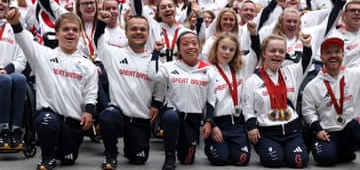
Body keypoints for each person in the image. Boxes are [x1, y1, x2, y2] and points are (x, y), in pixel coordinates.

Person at [6, 10, 98, 170]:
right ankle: (47, 158)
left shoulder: (88, 66)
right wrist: (15, 24)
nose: (70, 33)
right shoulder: (43, 55)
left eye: (75, 30)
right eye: (66, 29)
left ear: (80, 35)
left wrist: (89, 111)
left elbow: (91, 92)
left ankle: (61, 150)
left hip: (73, 124)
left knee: (68, 159)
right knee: (46, 120)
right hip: (49, 115)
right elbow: (25, 41)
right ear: (57, 34)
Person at [94, 14, 165, 170]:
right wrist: (101, 23)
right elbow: (98, 42)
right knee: (107, 115)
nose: (138, 32)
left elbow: (160, 85)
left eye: (142, 29)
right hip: (118, 114)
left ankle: (131, 146)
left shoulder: (155, 59)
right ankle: (110, 154)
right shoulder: (114, 54)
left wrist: (156, 104)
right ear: (125, 33)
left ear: (148, 33)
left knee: (138, 159)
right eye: (133, 29)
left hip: (140, 117)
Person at [242, 34, 312, 168]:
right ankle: (276, 151)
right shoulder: (252, 80)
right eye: (272, 51)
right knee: (274, 162)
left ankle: (288, 150)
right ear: (264, 53)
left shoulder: (291, 72)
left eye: (281, 51)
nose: (277, 54)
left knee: (299, 162)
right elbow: (248, 107)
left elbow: (306, 61)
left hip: (292, 132)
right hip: (268, 133)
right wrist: (251, 127)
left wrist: (307, 45)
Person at [149, 31, 216, 170]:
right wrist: (155, 52)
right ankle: (169, 155)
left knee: (187, 160)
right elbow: (153, 74)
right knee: (171, 117)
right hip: (173, 113)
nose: (190, 47)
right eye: (185, 44)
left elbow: (211, 99)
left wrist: (209, 121)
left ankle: (181, 145)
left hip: (193, 118)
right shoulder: (170, 66)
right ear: (179, 50)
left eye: (194, 43)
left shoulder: (209, 70)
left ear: (199, 46)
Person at [302, 37, 360, 166]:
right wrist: (318, 130)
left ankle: (341, 151)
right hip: (326, 132)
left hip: (348, 128)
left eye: (337, 52)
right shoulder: (312, 86)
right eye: (328, 52)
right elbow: (308, 111)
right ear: (321, 57)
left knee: (355, 127)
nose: (333, 56)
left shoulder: (354, 74)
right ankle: (339, 152)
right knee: (325, 158)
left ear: (343, 54)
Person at [204, 31, 259, 166]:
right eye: (223, 48)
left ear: (236, 53)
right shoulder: (208, 70)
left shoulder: (241, 69)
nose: (227, 52)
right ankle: (216, 147)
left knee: (242, 160)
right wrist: (213, 125)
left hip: (238, 124)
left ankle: (229, 148)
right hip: (218, 124)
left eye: (231, 50)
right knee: (220, 159)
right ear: (216, 48)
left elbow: (256, 53)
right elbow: (207, 101)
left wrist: (253, 34)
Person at [0, 0, 27, 151]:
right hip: (3, 77)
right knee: (6, 80)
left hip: (7, 73)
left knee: (20, 79)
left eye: (4, 1)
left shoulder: (14, 29)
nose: (0, 3)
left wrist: (8, 69)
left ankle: (16, 129)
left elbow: (22, 57)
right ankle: (3, 129)